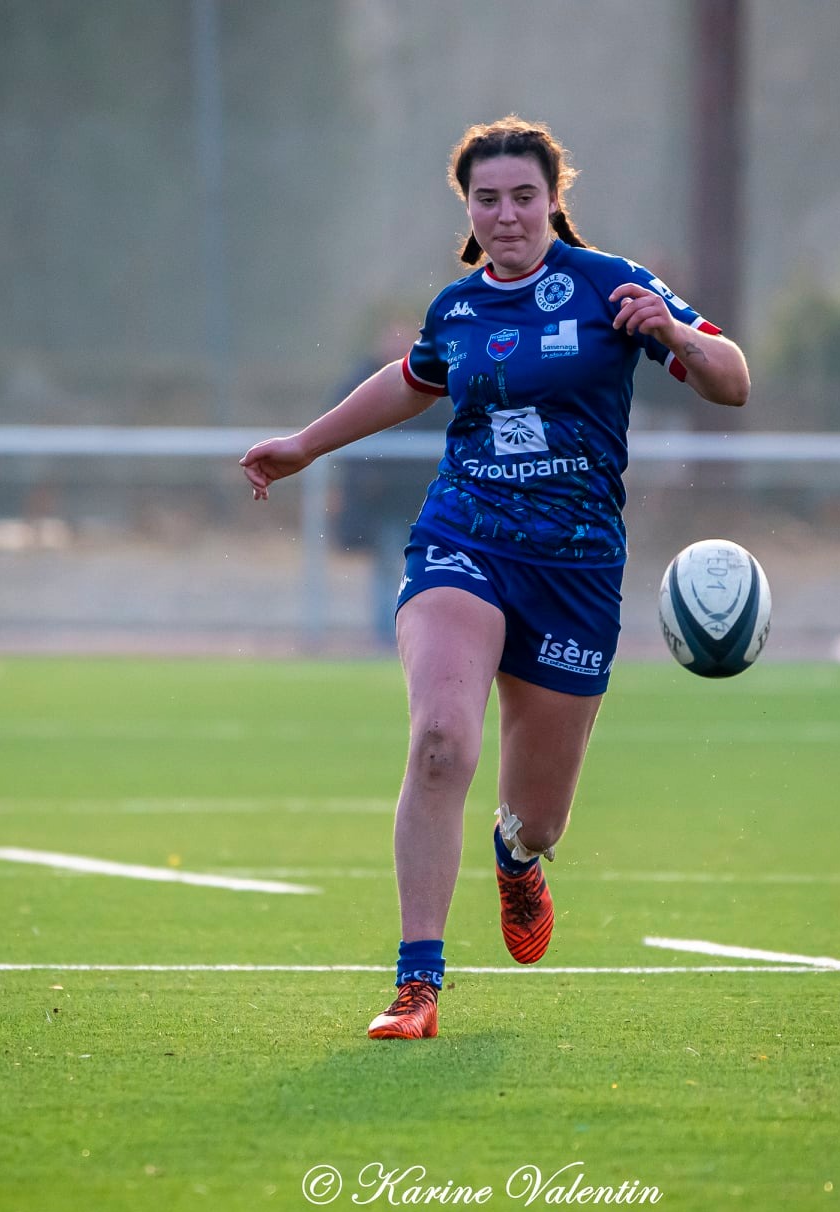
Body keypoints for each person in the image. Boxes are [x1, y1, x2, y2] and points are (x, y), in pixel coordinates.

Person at [240, 116, 750, 1040]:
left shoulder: (612, 287)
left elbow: (732, 380)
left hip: (577, 570)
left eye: (524, 196)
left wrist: (673, 328)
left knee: (541, 819)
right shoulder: (457, 309)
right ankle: (416, 986)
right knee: (441, 740)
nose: (507, 215)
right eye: (488, 199)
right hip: (463, 537)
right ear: (468, 209)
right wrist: (304, 445)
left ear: (554, 198)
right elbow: (410, 379)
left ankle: (517, 858)